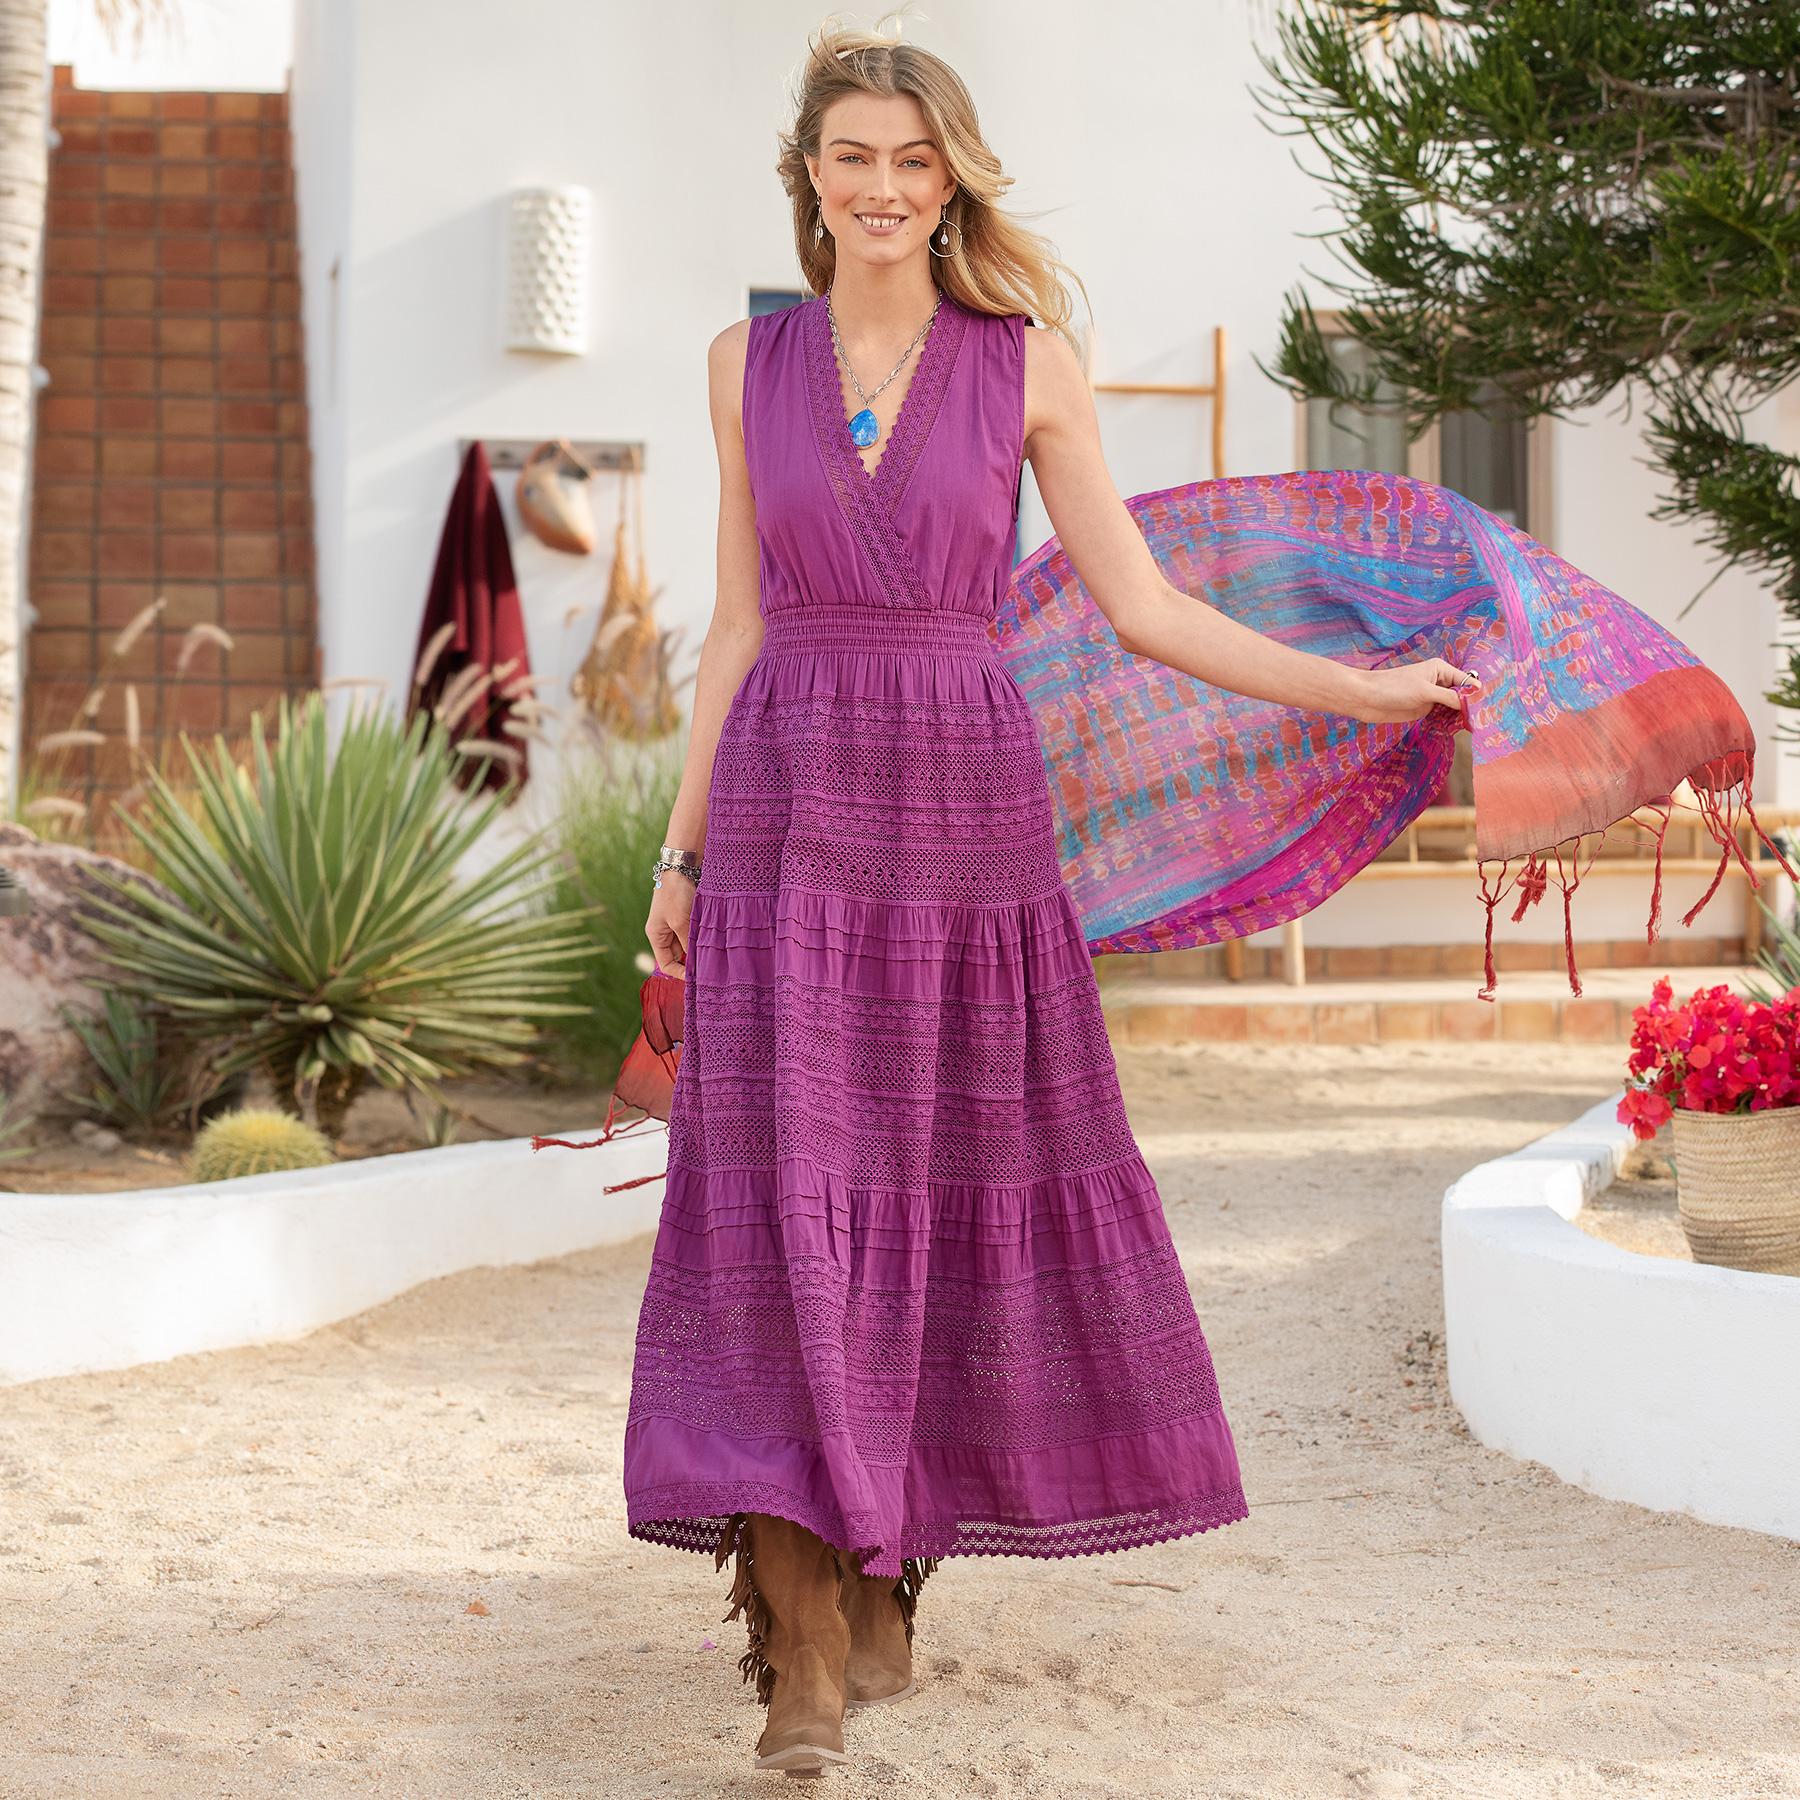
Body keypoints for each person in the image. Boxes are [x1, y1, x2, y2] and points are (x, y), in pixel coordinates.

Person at [630, 23, 1474, 1779]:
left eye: (912, 160)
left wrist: (1364, 692)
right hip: (788, 809)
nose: (882, 188)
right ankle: (799, 1646)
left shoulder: (1028, 367)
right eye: (852, 157)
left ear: (951, 181)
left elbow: (1146, 609)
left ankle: (891, 1567)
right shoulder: (742, 363)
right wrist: (681, 854)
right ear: (808, 176)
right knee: (789, 1200)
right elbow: (738, 625)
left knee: (941, 1184)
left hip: (962, 815)